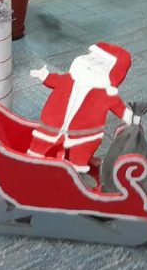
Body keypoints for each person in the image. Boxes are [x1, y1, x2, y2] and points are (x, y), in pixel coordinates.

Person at [27, 43, 137, 173]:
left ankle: (77, 170)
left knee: (81, 152)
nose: (91, 65)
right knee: (41, 142)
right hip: (52, 124)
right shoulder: (69, 79)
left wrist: (132, 118)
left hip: (84, 133)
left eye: (100, 64)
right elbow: (54, 79)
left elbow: (119, 108)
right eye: (92, 58)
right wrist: (44, 75)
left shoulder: (106, 93)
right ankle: (33, 159)